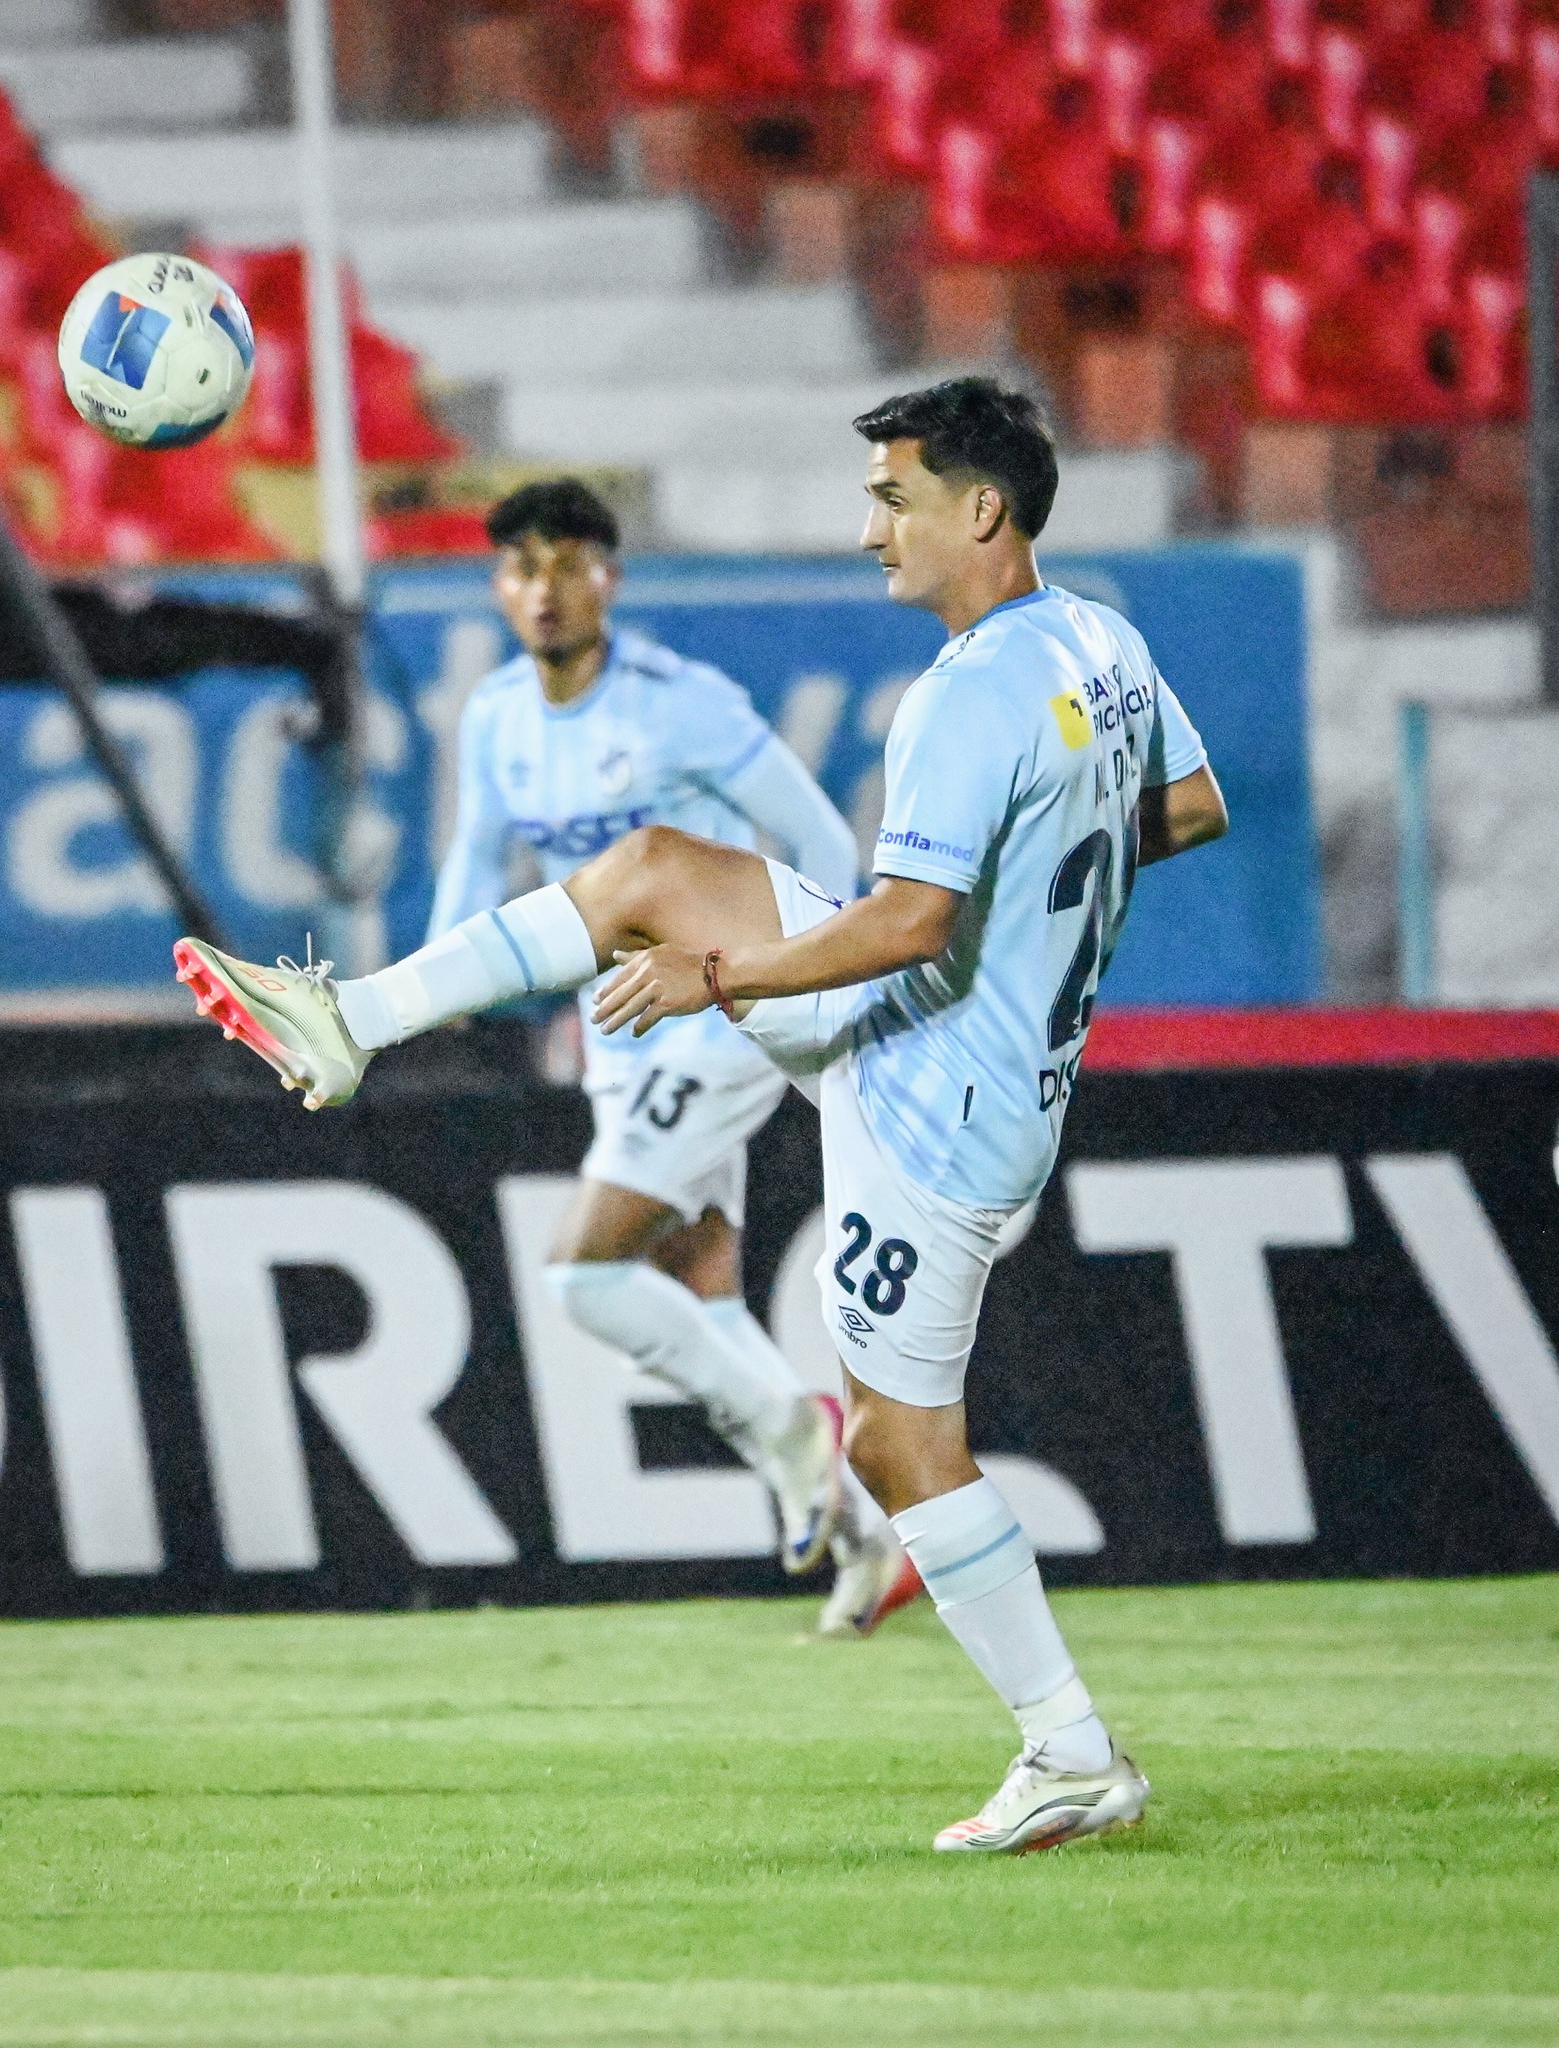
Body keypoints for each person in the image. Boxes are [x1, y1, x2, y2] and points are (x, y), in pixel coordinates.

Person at [175, 377, 1229, 1854]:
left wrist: (717, 978)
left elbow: (911, 924)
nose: (869, 532)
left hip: (931, 1105)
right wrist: (1035, 902)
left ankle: (1065, 1749)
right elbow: (1188, 811)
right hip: (955, 1050)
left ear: (978, 510)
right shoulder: (1101, 639)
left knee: (896, 1442)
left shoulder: (964, 692)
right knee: (652, 865)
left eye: (892, 499)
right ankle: (349, 1018)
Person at [419, 476, 916, 1635]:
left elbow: (817, 834)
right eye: (522, 567)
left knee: (581, 1270)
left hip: (714, 1014)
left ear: (610, 577)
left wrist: (787, 975)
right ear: (499, 587)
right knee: (701, 1288)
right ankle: (864, 1535)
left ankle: (804, 1440)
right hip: (616, 1037)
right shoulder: (496, 715)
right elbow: (477, 866)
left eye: (568, 562)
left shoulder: (679, 704)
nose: (544, 589)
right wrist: (437, 983)